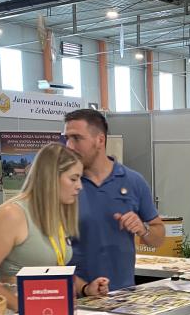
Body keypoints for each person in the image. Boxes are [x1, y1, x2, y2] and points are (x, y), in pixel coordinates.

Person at [0, 143, 110, 311]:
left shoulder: (54, 214)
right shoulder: (12, 214)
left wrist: (85, 289)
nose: (79, 186)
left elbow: (53, 269)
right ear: (51, 178)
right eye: (73, 179)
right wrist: (23, 308)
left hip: (50, 312)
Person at [63, 109, 164, 291]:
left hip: (122, 296)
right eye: (67, 138)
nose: (69, 146)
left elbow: (158, 239)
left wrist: (143, 229)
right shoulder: (63, 185)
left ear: (100, 140)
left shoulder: (133, 181)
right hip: (77, 297)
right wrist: (85, 288)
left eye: (76, 138)